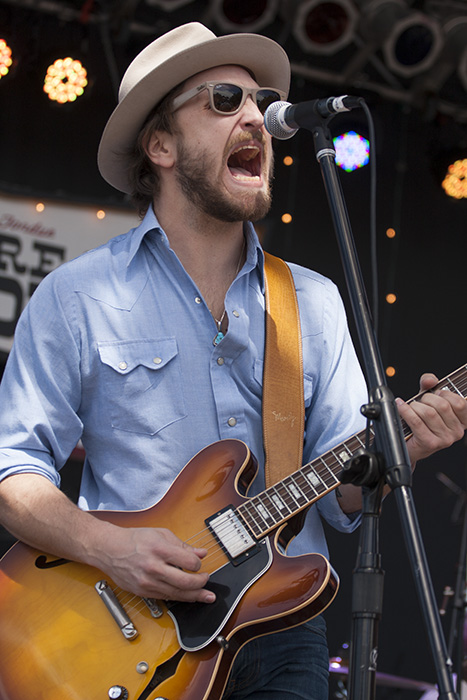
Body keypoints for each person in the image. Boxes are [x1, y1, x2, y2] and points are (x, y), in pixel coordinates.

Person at [0, 21, 465, 700]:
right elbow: (12, 468)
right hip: (124, 625)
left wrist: (406, 448)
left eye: (262, 101)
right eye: (224, 100)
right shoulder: (78, 294)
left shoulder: (312, 300)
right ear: (160, 145)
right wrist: (111, 548)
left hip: (282, 627)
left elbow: (345, 498)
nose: (256, 118)